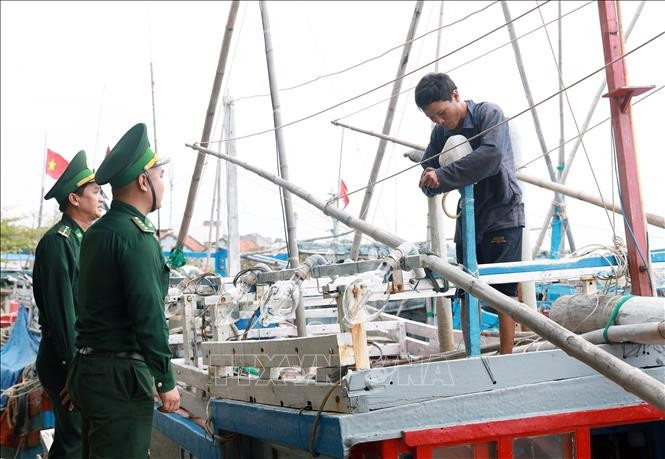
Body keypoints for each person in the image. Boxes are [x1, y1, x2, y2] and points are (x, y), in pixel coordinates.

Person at [68, 123, 179, 458]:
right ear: (144, 182)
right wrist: (166, 380)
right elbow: (148, 315)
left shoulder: (97, 232)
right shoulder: (137, 237)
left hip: (89, 371)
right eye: (160, 175)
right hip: (121, 379)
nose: (164, 183)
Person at [415, 73, 524, 354]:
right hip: (468, 218)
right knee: (466, 289)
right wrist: (429, 179)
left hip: (502, 213)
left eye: (441, 113)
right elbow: (430, 168)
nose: (439, 121)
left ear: (455, 95)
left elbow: (490, 157)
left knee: (505, 293)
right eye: (432, 118)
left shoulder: (489, 114)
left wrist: (442, 176)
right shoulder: (440, 133)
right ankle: (471, 357)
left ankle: (507, 357)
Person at [33, 150, 103, 458]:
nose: (102, 197)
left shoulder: (84, 239)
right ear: (74, 199)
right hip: (66, 362)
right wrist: (75, 374)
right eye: (96, 191)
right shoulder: (58, 243)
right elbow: (64, 314)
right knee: (74, 442)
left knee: (86, 439)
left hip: (82, 362)